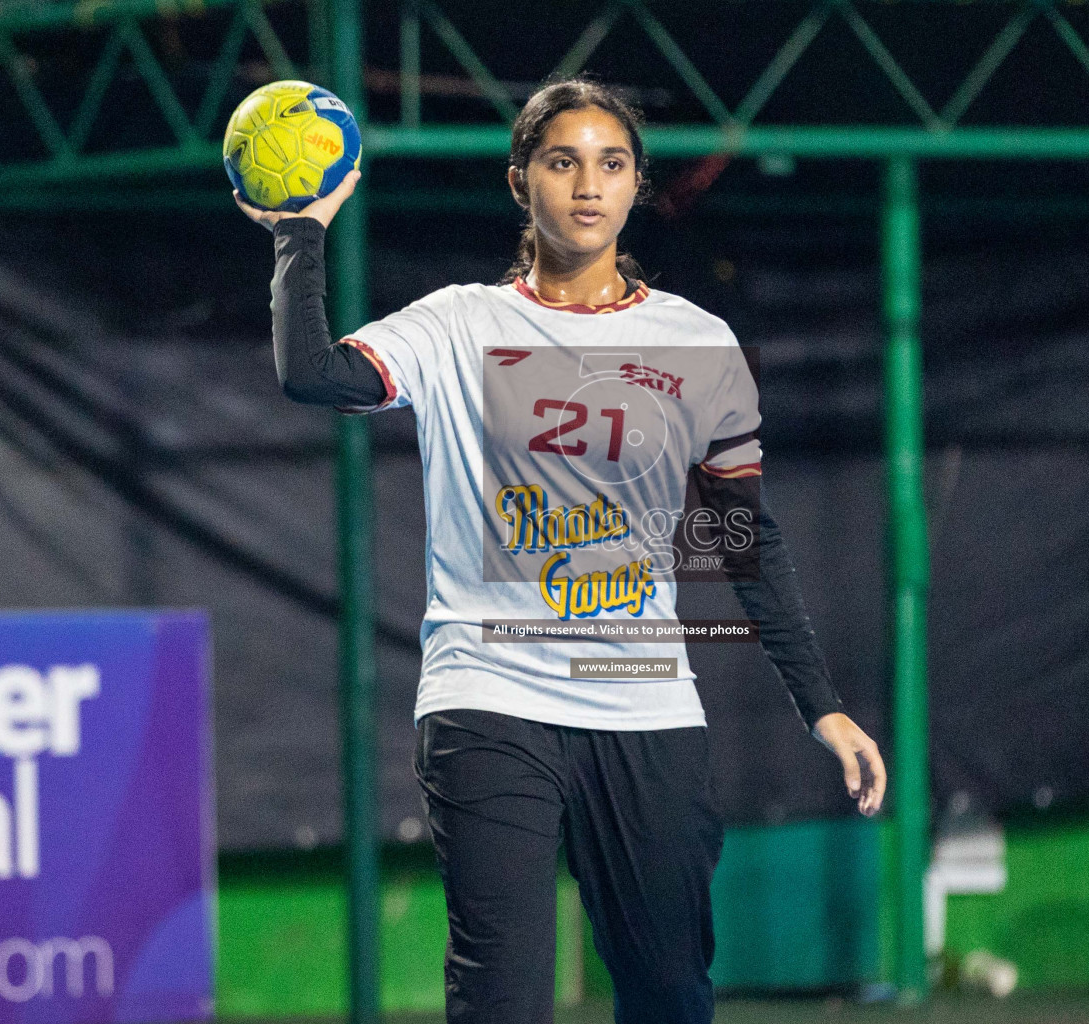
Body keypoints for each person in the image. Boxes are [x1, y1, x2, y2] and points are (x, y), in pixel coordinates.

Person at [237, 76, 886, 1024]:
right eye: (562, 161)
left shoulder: (697, 343)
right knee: (502, 1000)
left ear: (636, 188)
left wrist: (822, 707)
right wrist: (300, 231)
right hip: (487, 699)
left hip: (646, 706)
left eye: (611, 164)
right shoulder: (457, 325)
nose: (588, 184)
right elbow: (312, 374)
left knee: (669, 996)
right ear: (519, 182)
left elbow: (742, 543)